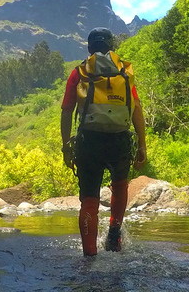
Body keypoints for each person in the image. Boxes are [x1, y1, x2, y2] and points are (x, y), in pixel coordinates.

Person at [60, 27, 147, 257]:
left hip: (89, 141)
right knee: (119, 186)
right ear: (112, 47)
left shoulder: (79, 72)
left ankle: (90, 256)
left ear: (89, 48)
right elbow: (136, 109)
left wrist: (66, 144)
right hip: (120, 139)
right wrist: (142, 145)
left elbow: (67, 111)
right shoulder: (124, 73)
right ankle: (114, 236)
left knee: (89, 200)